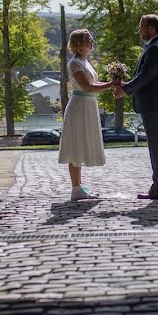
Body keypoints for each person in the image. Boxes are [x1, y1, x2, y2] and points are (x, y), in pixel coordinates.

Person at [115, 14, 158, 200]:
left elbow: (146, 76)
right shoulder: (156, 46)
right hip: (155, 103)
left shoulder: (156, 48)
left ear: (151, 28)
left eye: (141, 27)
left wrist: (126, 89)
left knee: (156, 146)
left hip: (154, 104)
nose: (139, 30)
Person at [59, 29, 117, 201]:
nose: (92, 41)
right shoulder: (75, 63)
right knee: (76, 146)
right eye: (89, 39)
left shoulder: (84, 61)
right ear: (80, 43)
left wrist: (111, 84)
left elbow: (93, 83)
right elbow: (87, 87)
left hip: (88, 104)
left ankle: (78, 187)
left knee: (82, 144)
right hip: (79, 106)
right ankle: (76, 189)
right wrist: (110, 85)